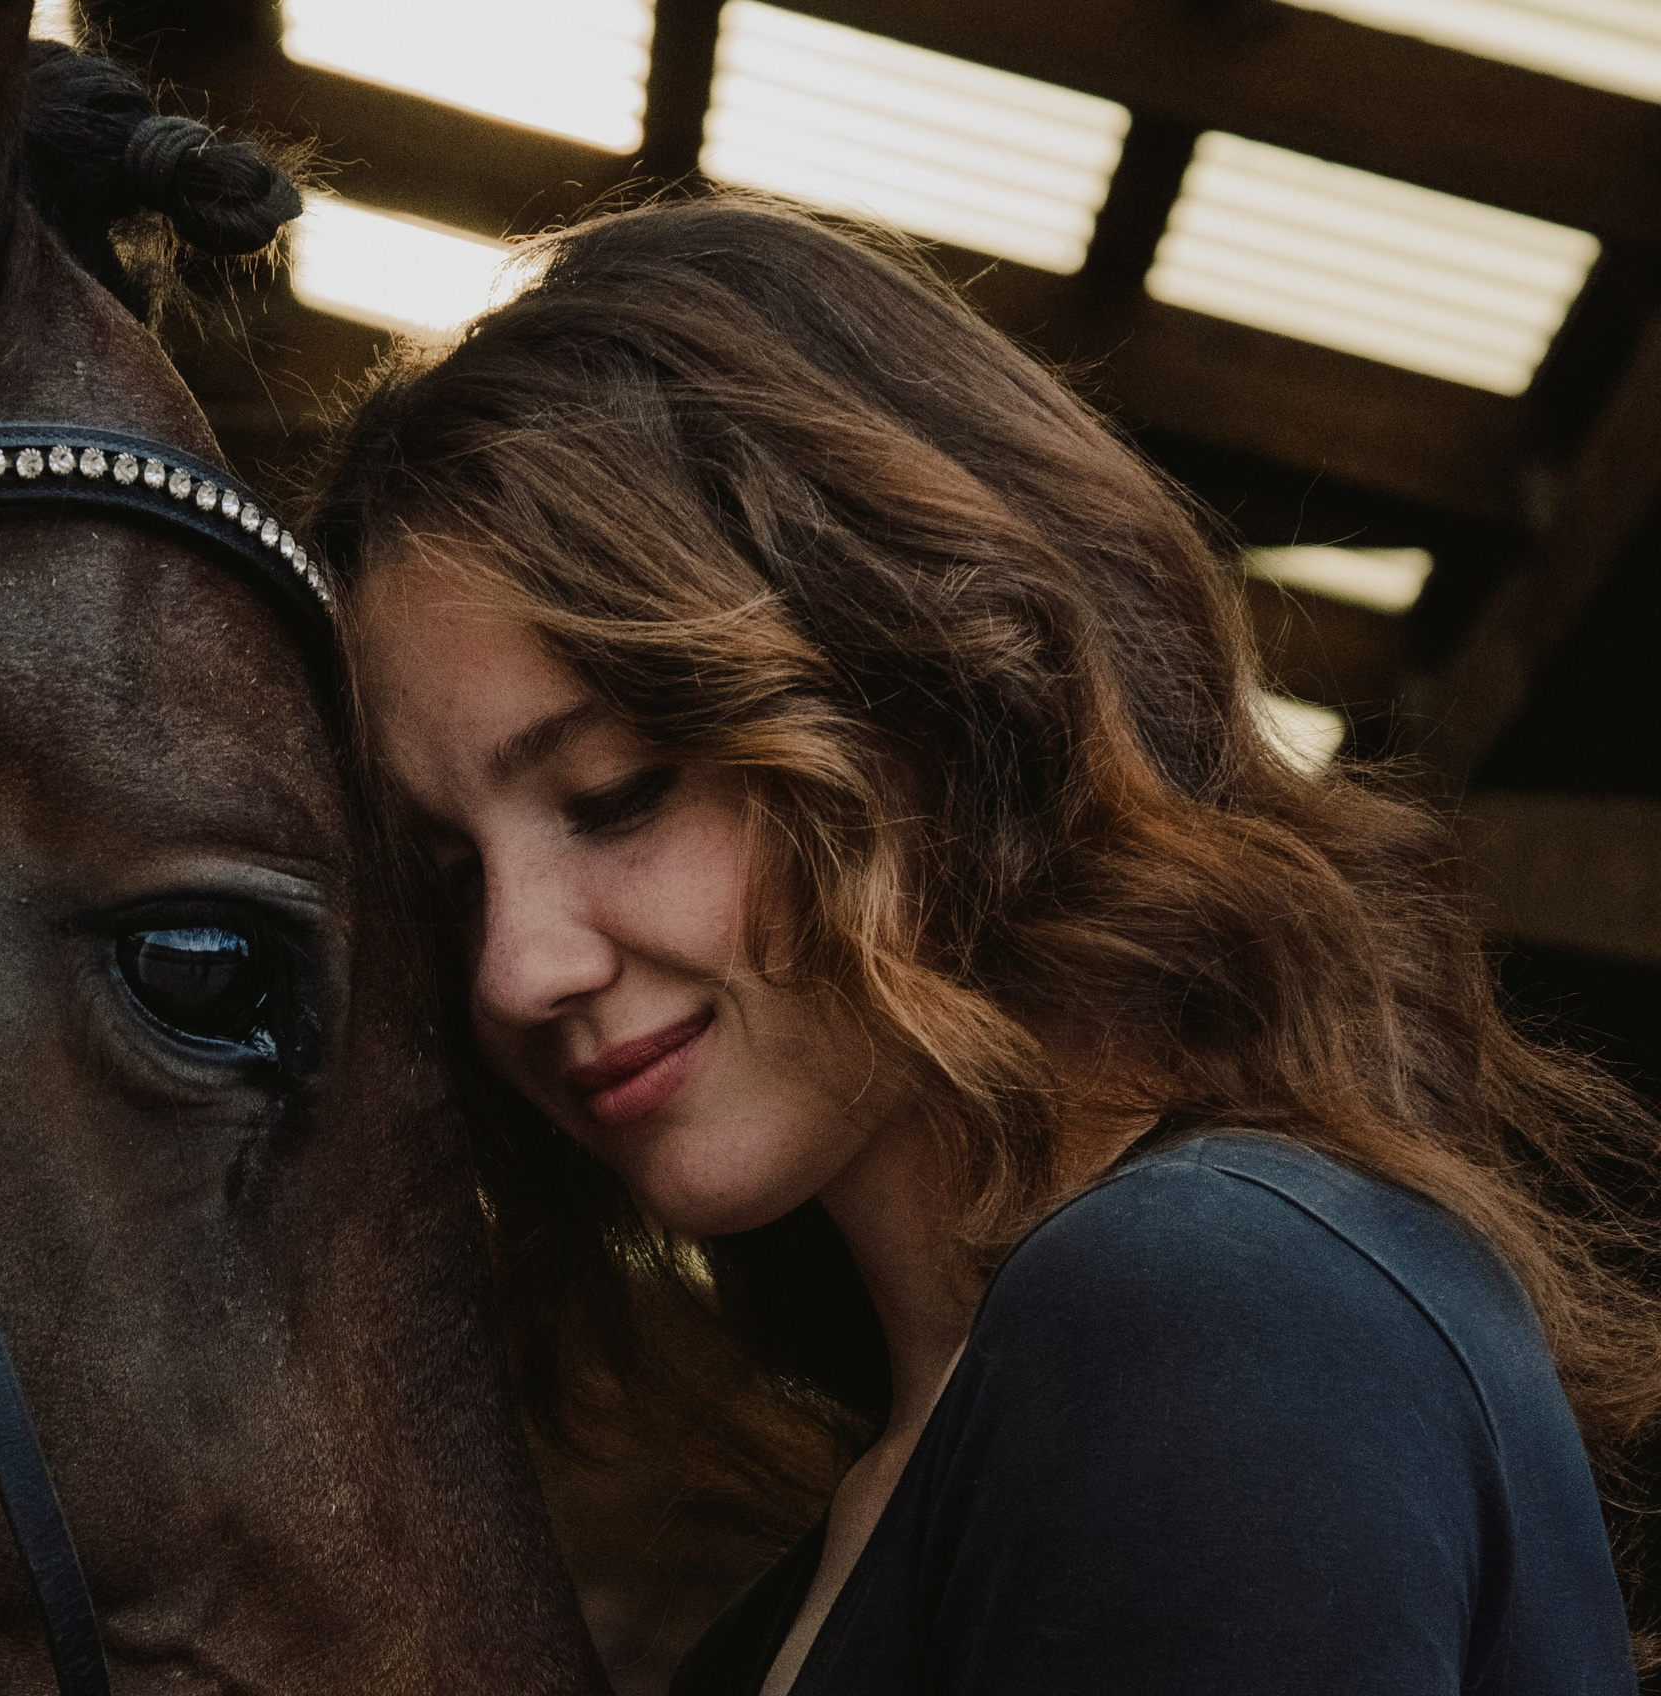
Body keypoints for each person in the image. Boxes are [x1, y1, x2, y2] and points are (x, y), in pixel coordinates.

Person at [310, 195, 1656, 1694]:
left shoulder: (1205, 1310)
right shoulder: (889, 1501)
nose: (514, 970)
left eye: (615, 795)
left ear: (936, 694)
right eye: (447, 885)